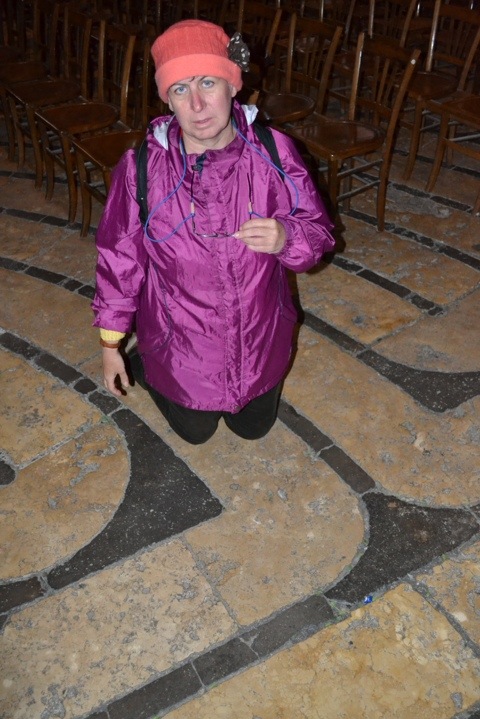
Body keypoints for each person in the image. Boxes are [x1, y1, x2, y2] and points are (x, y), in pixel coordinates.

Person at [92, 19, 335, 445]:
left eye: (208, 82)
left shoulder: (274, 152)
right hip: (181, 339)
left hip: (259, 334)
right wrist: (111, 344)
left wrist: (286, 237)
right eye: (180, 89)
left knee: (253, 429)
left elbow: (317, 233)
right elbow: (119, 257)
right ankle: (147, 360)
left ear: (232, 85)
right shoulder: (141, 169)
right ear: (168, 99)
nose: (197, 104)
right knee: (196, 432)